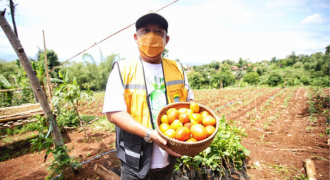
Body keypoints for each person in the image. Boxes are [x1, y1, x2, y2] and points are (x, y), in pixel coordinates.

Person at [102, 12, 194, 180]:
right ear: (136, 37)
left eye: (159, 31)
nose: (152, 36)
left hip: (168, 159)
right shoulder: (122, 70)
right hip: (134, 160)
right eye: (146, 30)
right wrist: (150, 134)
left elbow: (189, 102)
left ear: (166, 40)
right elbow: (114, 113)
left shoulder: (178, 69)